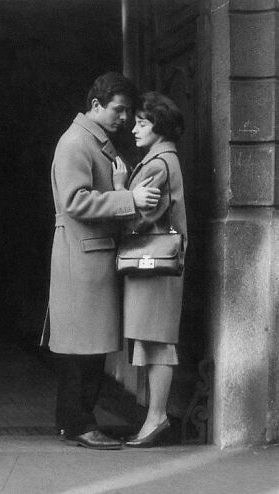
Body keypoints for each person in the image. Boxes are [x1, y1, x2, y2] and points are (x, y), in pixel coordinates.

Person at [47, 72, 161, 450]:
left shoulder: (90, 140)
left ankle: (73, 423)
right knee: (83, 349)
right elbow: (75, 201)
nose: (125, 118)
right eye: (118, 109)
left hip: (88, 256)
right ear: (95, 106)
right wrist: (128, 198)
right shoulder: (77, 143)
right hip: (83, 257)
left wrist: (118, 192)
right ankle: (79, 424)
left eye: (129, 111)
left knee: (87, 346)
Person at [120, 92, 187, 448]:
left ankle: (156, 417)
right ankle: (154, 416)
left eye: (142, 123)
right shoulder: (164, 158)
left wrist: (119, 190)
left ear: (158, 127)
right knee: (153, 338)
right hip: (157, 267)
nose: (134, 128)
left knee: (158, 342)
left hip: (154, 266)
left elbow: (140, 218)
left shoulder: (158, 163)